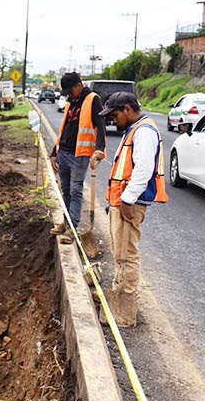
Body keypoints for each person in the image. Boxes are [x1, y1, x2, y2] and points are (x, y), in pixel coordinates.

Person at [99, 91, 168, 326]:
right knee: (120, 252)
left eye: (115, 115)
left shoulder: (144, 132)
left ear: (127, 109)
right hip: (123, 201)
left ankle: (127, 302)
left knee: (127, 253)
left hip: (130, 203)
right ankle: (119, 293)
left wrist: (127, 201)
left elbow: (143, 169)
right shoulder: (135, 129)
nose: (113, 120)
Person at [50, 73, 106, 239]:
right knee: (66, 190)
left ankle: (72, 227)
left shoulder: (93, 100)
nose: (69, 95)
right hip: (64, 152)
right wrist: (54, 152)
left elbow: (101, 127)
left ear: (79, 86)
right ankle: (66, 221)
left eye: (70, 91)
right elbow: (64, 129)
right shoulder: (70, 102)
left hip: (79, 154)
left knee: (75, 190)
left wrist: (99, 149)